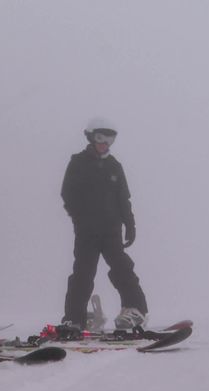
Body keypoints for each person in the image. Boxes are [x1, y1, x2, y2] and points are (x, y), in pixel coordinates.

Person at [60, 122, 148, 330]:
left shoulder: (114, 166)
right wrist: (79, 217)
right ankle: (74, 318)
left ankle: (135, 309)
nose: (105, 144)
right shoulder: (78, 163)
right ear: (92, 138)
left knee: (122, 268)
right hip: (87, 231)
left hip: (111, 231)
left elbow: (123, 198)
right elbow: (67, 193)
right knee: (83, 272)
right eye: (101, 138)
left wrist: (130, 224)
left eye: (110, 140)